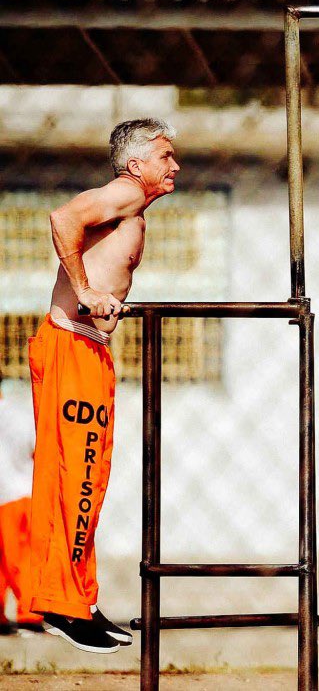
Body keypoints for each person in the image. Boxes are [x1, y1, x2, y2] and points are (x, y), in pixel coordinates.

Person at [29, 119, 178, 653]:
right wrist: (86, 290)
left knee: (87, 475)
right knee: (79, 475)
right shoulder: (125, 193)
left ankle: (79, 599)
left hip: (84, 347)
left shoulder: (131, 205)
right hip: (72, 345)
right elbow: (63, 217)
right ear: (136, 164)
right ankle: (61, 604)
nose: (175, 165)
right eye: (165, 156)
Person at [0, 366, 43, 634]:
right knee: (23, 557)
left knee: (5, 559)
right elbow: (37, 450)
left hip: (6, 493)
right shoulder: (18, 415)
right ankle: (29, 613)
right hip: (22, 492)